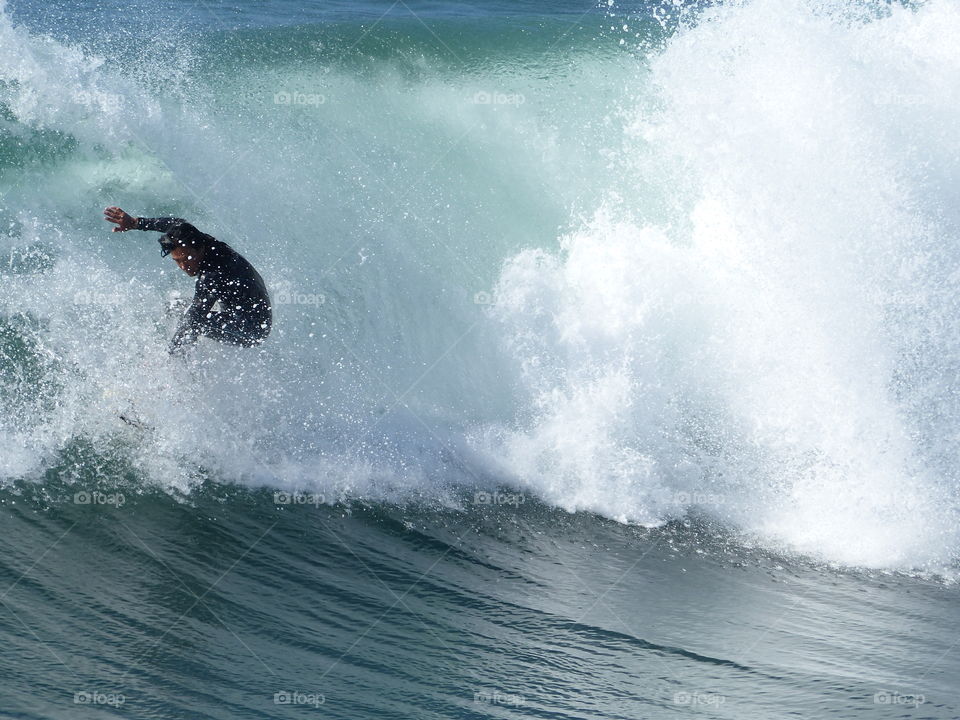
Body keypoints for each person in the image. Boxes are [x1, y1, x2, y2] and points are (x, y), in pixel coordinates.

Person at [104, 207, 272, 354]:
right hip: (239, 308)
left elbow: (193, 319)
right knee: (174, 306)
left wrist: (170, 355)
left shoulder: (212, 275)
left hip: (252, 330)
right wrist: (136, 222)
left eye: (187, 259)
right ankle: (183, 350)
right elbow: (176, 223)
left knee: (194, 321)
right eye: (178, 261)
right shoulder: (198, 238)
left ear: (200, 249)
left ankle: (181, 369)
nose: (184, 267)